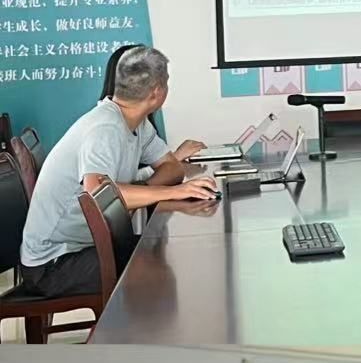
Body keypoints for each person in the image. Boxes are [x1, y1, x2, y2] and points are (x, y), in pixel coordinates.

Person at [19, 46, 219, 298]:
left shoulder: (136, 122)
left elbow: (172, 168)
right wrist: (172, 192)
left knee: (172, 252)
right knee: (162, 266)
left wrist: (141, 192)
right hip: (54, 264)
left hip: (88, 246)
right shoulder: (105, 128)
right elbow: (98, 196)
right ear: (157, 92)